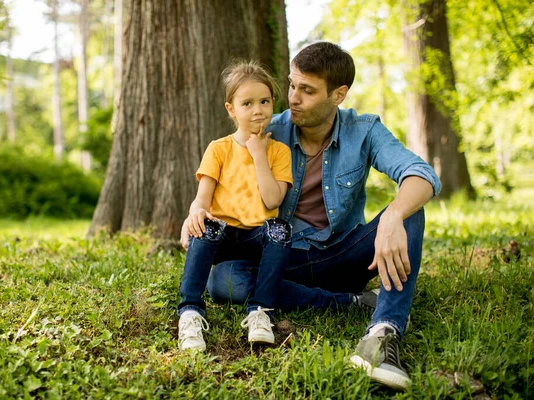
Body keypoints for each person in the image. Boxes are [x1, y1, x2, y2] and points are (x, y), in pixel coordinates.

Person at [180, 42, 441, 390]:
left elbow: (421, 174)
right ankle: (349, 304)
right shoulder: (267, 128)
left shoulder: (363, 131)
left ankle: (382, 333)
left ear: (338, 95)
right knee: (223, 281)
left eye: (307, 90)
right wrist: (197, 210)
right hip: (284, 257)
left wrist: (394, 214)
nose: (292, 98)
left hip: (342, 257)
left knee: (410, 214)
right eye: (291, 85)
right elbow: (225, 171)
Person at [177, 60, 294, 351]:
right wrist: (194, 214)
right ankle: (190, 312)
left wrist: (258, 155)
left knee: (280, 229)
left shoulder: (278, 152)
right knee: (206, 224)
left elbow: (272, 200)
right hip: (223, 236)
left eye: (264, 101)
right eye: (248, 103)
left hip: (258, 237)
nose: (258, 110)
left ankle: (260, 311)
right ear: (231, 109)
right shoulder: (219, 149)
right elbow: (202, 198)